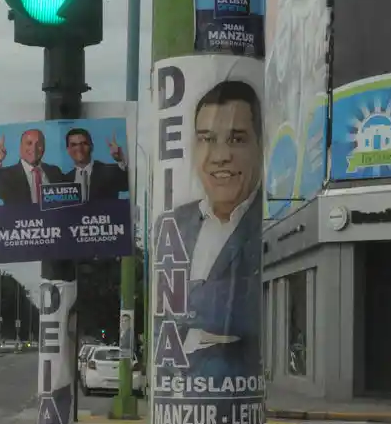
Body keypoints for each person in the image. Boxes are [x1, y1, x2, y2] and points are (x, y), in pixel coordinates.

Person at [153, 79, 263, 379]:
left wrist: (189, 304)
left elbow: (246, 311)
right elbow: (160, 323)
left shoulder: (268, 220)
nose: (219, 156)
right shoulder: (173, 222)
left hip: (228, 396)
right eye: (206, 138)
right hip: (174, 400)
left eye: (237, 139)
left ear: (260, 145)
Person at [0, 128, 63, 205]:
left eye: (39, 144)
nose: (34, 148)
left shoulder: (55, 171)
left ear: (44, 147)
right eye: (29, 143)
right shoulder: (7, 175)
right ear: (20, 147)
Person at [62, 127, 129, 201]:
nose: (79, 148)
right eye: (74, 145)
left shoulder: (108, 171)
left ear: (92, 147)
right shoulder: (65, 180)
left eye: (83, 143)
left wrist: (120, 160)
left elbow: (127, 185)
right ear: (68, 150)